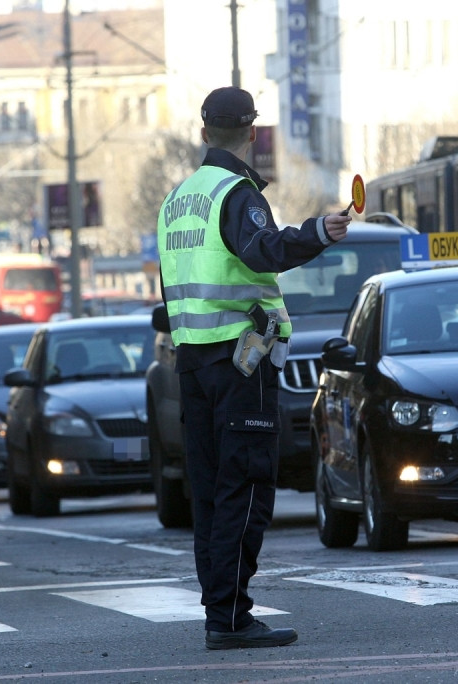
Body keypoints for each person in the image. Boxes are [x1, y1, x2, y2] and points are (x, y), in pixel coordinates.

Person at [156, 86, 350, 651]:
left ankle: (220, 612)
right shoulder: (235, 193)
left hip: (193, 365)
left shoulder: (177, 201)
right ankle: (232, 619)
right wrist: (318, 233)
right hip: (242, 366)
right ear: (254, 134)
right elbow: (263, 251)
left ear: (202, 132)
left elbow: (173, 294)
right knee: (245, 490)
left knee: (212, 493)